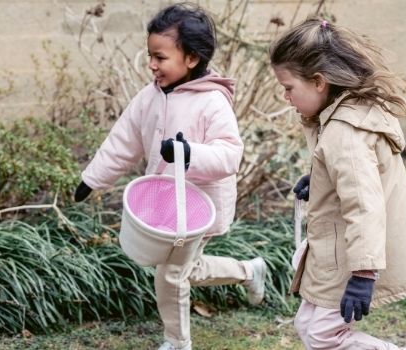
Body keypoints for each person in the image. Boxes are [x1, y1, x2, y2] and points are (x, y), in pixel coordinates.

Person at [73, 3, 267, 350]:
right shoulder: (149, 96)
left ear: (191, 58)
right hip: (163, 205)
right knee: (183, 271)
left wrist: (188, 153)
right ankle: (248, 271)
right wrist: (93, 178)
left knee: (172, 275)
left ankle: (177, 342)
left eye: (160, 57)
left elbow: (229, 155)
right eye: (150, 55)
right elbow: (124, 139)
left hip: (197, 207)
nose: (152, 64)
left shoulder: (212, 102)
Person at [270, 18, 406, 350]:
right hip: (336, 251)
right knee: (307, 325)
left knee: (323, 336)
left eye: (288, 87)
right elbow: (353, 178)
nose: (285, 96)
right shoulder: (347, 115)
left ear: (318, 82)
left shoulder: (345, 132)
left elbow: (364, 205)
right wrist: (320, 181)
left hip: (350, 258)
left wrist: (363, 275)